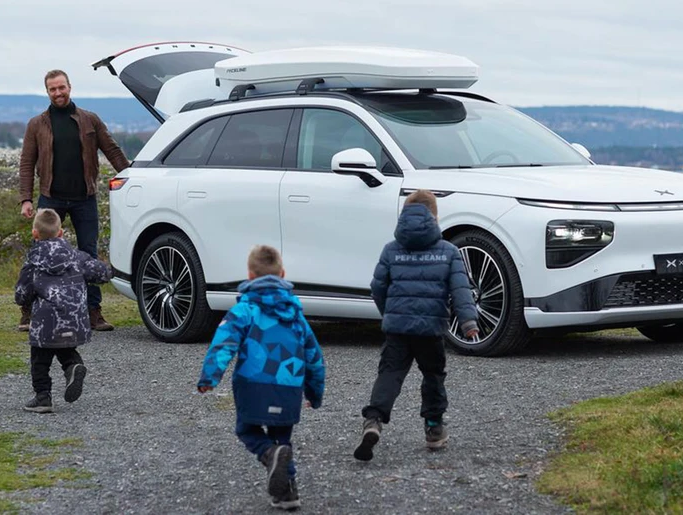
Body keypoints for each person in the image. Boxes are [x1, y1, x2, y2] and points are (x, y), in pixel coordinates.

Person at [353, 189, 479, 462]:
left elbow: (377, 286)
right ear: (434, 217)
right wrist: (469, 321)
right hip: (430, 329)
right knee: (433, 375)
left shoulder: (391, 250)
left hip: (397, 328)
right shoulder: (448, 251)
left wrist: (389, 312)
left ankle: (373, 420)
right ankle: (434, 428)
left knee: (390, 374)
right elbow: (460, 290)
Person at [197, 245, 325, 511]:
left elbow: (224, 344)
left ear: (250, 276)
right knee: (283, 439)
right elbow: (314, 358)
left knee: (247, 429)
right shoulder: (296, 315)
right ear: (283, 273)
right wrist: (314, 393)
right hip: (288, 388)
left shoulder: (245, 310)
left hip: (253, 385)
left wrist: (210, 377)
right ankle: (287, 493)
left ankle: (268, 454)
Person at [18, 69, 130, 332]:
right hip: (50, 197)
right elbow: (26, 163)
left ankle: (93, 312)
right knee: (39, 256)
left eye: (61, 88)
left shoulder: (90, 120)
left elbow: (111, 149)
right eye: (52, 89)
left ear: (70, 87)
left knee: (89, 255)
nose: (58, 93)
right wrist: (25, 198)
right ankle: (30, 312)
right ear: (47, 92)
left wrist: (130, 176)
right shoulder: (37, 124)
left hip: (85, 198)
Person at [15, 209, 112, 413]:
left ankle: (43, 397)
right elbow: (102, 273)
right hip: (75, 320)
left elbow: (21, 293)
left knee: (39, 360)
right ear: (61, 233)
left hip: (45, 323)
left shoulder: (33, 263)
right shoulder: (77, 257)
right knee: (65, 348)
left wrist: (26, 301)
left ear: (35, 234)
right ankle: (73, 367)